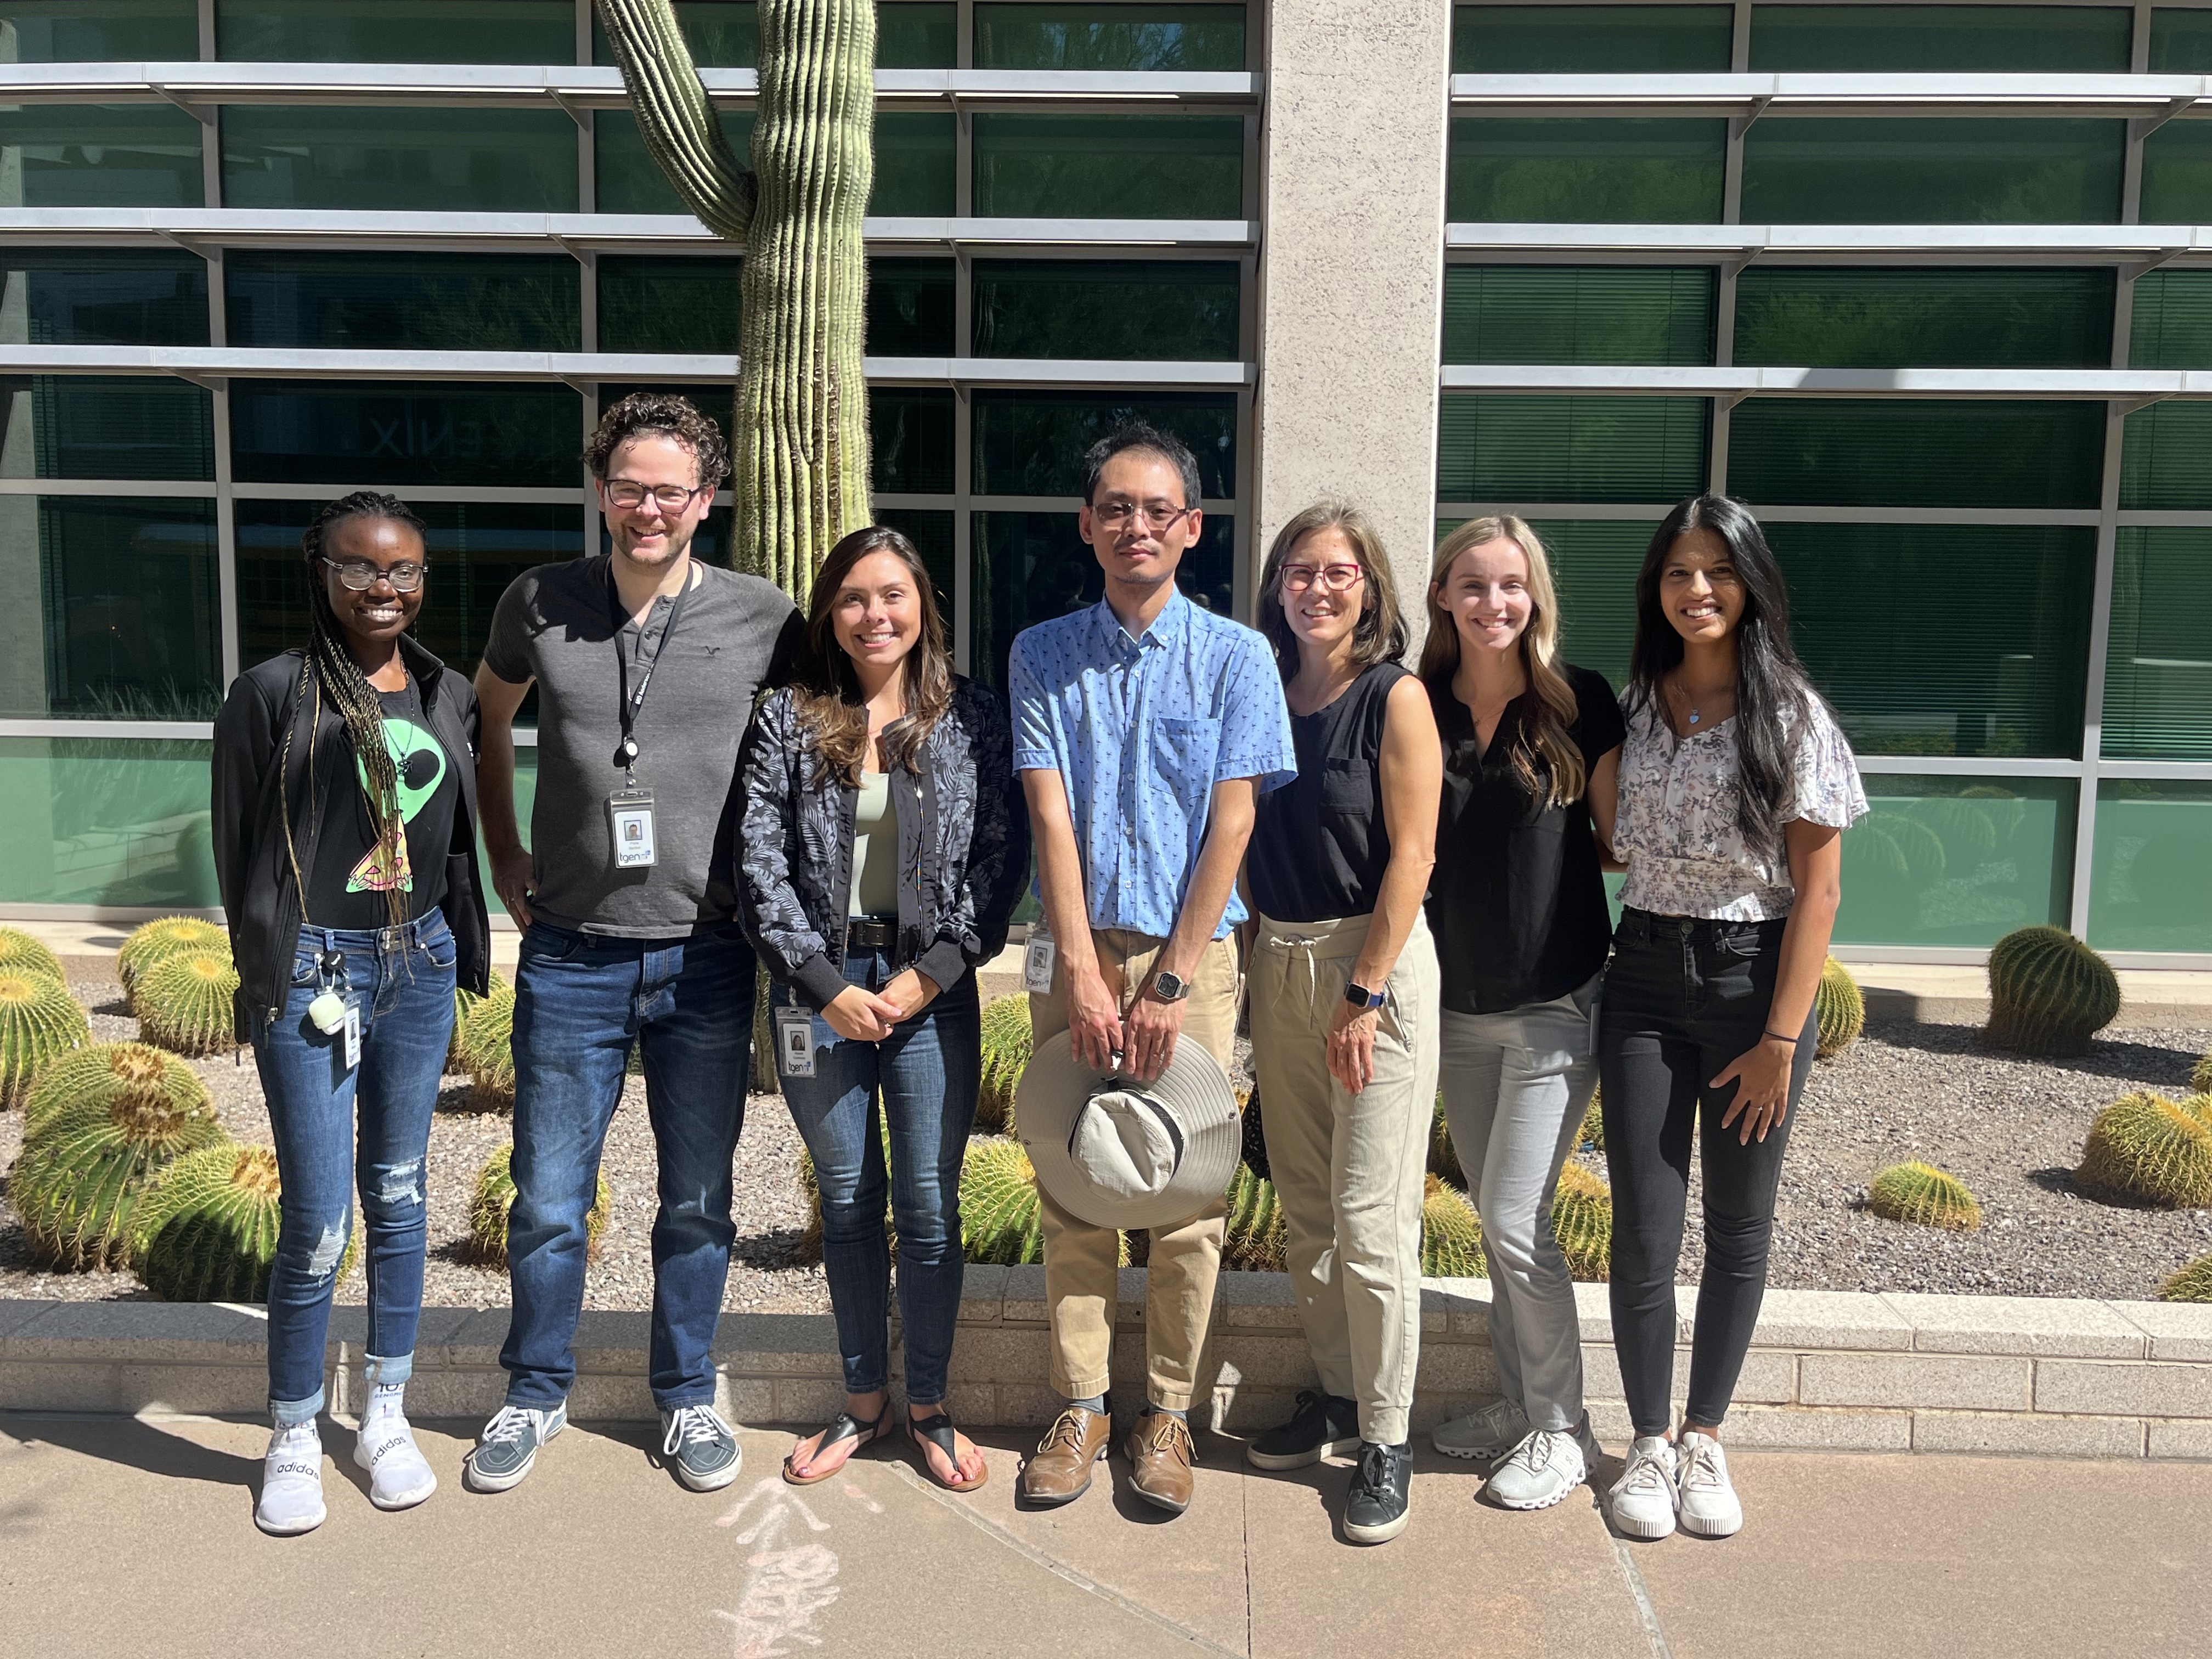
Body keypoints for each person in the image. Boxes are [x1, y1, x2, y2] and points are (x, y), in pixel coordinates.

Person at [465, 393, 802, 1496]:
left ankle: (686, 1392)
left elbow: (824, 742)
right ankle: (534, 1391)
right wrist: (502, 849)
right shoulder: (539, 602)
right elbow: (487, 713)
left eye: (670, 490)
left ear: (707, 500)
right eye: (628, 486)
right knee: (552, 1198)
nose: (647, 508)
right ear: (601, 491)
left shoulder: (764, 615)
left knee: (698, 1199)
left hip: (708, 953)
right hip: (568, 951)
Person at [1010, 422, 1296, 1517]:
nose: (1136, 526)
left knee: (1187, 1197)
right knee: (1077, 1179)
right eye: (1115, 508)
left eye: (1157, 509)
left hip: (1198, 959)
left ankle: (1167, 1413)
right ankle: (1080, 1406)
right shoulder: (1042, 651)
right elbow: (1049, 810)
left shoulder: (1238, 658)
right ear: (1089, 526)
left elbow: (1233, 821)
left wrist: (1172, 980)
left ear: (1193, 529)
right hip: (1079, 948)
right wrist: (1081, 971)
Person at [212, 492, 492, 1534]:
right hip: (315, 973)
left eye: (407, 572)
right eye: (364, 569)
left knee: (404, 1192)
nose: (388, 589)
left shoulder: (443, 690)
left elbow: (456, 837)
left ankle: (385, 1412)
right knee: (321, 1219)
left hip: (415, 959)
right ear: (319, 570)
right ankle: (292, 1430)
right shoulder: (273, 694)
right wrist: (266, 981)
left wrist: (466, 936)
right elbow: (239, 845)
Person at [736, 526, 1028, 1492]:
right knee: (851, 1205)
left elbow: (1000, 861)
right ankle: (865, 1403)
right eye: (856, 597)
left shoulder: (972, 716)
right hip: (821, 994)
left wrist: (930, 975)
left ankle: (932, 1407)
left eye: (894, 595)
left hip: (928, 994)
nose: (876, 615)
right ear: (831, 610)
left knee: (931, 1209)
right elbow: (758, 862)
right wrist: (824, 985)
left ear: (922, 606)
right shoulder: (787, 716)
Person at [1599, 494, 1864, 1542]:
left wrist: (1780, 1045)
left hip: (1754, 985)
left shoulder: (1791, 717)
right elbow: (1616, 850)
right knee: (1645, 1228)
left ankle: (1707, 1436)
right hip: (1645, 978)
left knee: (1740, 1226)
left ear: (1750, 583)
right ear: (1655, 591)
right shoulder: (1634, 707)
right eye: (1677, 572)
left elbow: (1822, 893)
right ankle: (1649, 1443)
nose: (1697, 590)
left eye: (1717, 571)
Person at [1240, 502, 1441, 1545]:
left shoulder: (1393, 699)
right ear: (1277, 586)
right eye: (1301, 571)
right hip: (1279, 958)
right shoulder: (1262, 691)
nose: (1319, 588)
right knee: (1309, 1212)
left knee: (1371, 1219)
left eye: (1341, 572)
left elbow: (1413, 854)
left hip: (1375, 964)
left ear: (1371, 587)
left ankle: (1390, 1434)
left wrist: (1363, 993)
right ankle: (1337, 1393)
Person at [1419, 517, 1625, 1512]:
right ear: (1443, 597)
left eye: (1511, 586)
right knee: (1496, 1218)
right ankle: (1518, 1402)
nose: (1493, 603)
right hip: (1458, 1006)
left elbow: (1627, 839)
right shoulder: (1416, 704)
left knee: (1511, 1220)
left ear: (1534, 596)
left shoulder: (1578, 702)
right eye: (1472, 584)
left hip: (1555, 1001)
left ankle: (1562, 1428)